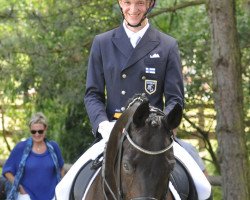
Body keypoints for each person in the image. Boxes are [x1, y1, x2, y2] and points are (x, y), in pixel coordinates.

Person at [56, 0, 211, 199]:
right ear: (120, 3)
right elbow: (93, 94)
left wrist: (162, 124)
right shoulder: (102, 43)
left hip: (154, 136)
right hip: (113, 130)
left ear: (150, 4)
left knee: (203, 187)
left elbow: (175, 99)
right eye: (127, 2)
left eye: (140, 3)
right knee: (62, 190)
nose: (133, 9)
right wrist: (103, 126)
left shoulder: (167, 45)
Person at [2, 112, 64, 200]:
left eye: (40, 131)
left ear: (45, 129)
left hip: (53, 196)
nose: (37, 134)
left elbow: (61, 168)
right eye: (33, 131)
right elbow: (7, 171)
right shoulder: (20, 148)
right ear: (30, 130)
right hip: (27, 196)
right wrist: (19, 187)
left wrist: (60, 186)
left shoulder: (54, 147)